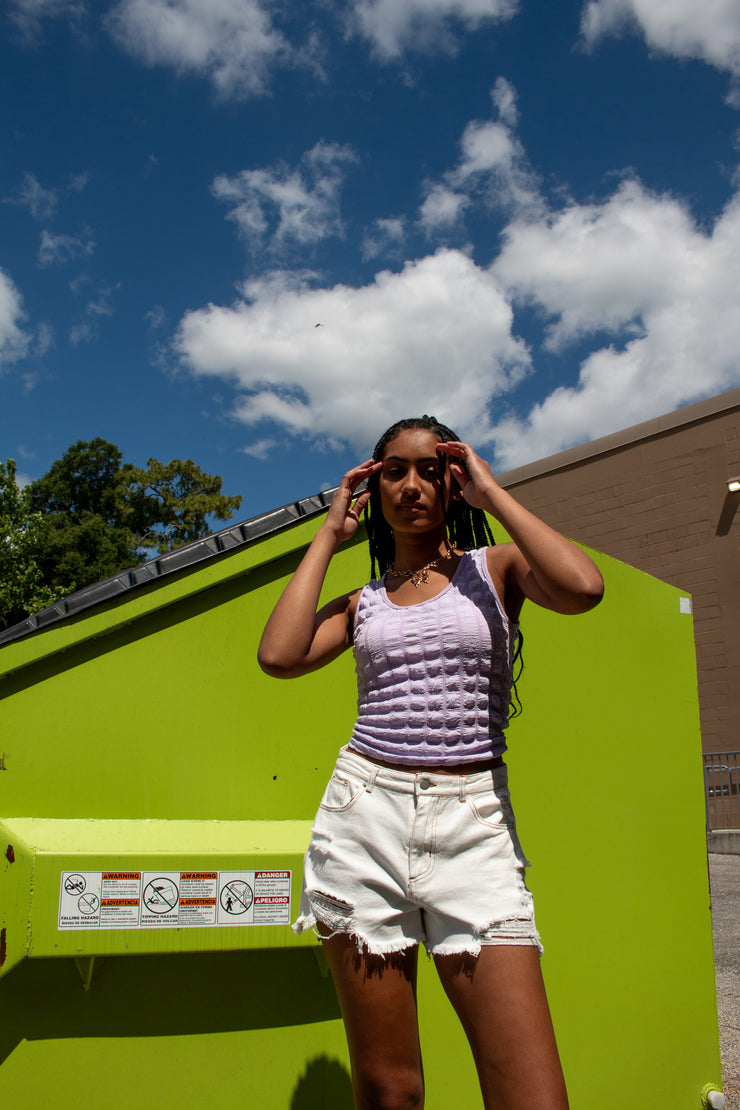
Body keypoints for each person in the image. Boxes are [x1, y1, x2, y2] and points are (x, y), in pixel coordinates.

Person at [258, 416, 604, 1110]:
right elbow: (280, 654)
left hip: (474, 828)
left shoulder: (496, 568)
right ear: (373, 487)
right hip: (365, 821)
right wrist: (331, 534)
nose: (411, 485)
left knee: (534, 1099)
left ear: (452, 480)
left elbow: (583, 588)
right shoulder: (365, 603)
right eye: (394, 471)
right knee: (391, 1091)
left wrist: (491, 492)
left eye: (429, 469)